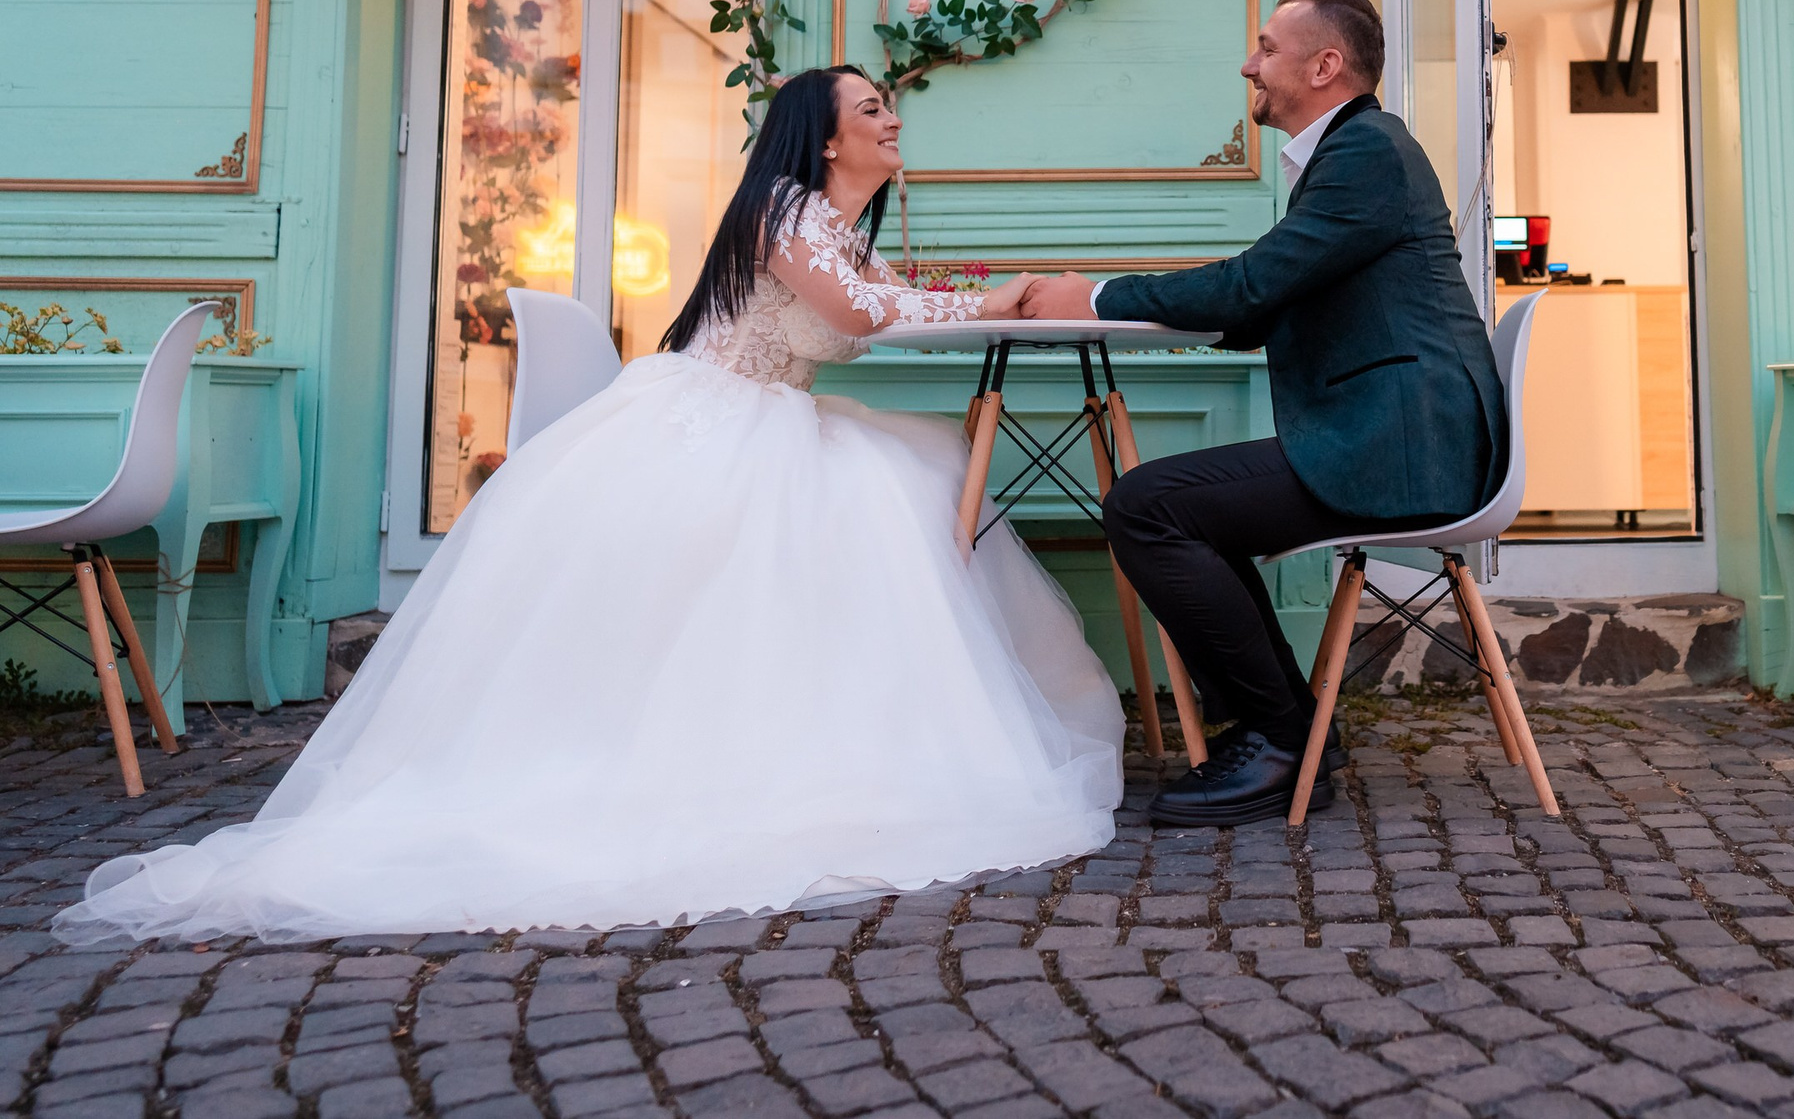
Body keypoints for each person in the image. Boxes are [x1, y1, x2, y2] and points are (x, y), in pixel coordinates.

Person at [57, 66, 1124, 946]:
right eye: (870, 109)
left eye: (892, 106)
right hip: (716, 418)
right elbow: (855, 313)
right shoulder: (783, 209)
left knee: (911, 475)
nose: (891, 119)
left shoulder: (833, 224)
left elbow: (871, 301)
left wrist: (982, 293)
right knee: (896, 488)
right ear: (823, 137)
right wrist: (993, 297)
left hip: (771, 413)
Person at [1022, 0, 1504, 826]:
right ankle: (1292, 729)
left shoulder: (1367, 151)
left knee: (1149, 505)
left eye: (1266, 49)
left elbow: (1255, 285)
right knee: (1180, 508)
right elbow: (1270, 295)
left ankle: (1283, 738)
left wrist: (1094, 297)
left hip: (1402, 446)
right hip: (1395, 435)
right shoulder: (1358, 152)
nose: (1250, 64)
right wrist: (1147, 303)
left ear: (1325, 65)